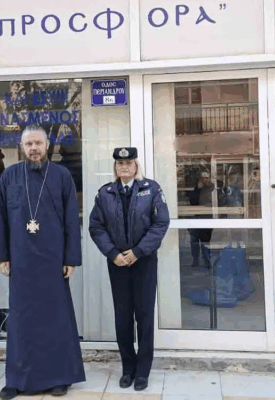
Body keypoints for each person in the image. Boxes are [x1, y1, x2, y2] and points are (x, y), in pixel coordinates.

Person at [0, 125, 85, 399]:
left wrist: (71, 257)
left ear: (46, 146)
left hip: (53, 259)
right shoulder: (9, 176)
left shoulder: (61, 176)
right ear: (22, 147)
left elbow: (71, 219)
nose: (34, 148)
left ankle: (58, 377)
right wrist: (2, 255)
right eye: (28, 144)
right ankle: (17, 379)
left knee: (55, 318)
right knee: (21, 320)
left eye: (38, 143)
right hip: (21, 258)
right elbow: (1, 218)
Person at [89, 147, 170, 392]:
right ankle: (128, 368)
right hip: (118, 262)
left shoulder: (151, 189)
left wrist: (138, 251)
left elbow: (160, 223)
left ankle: (143, 370)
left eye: (128, 163)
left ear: (136, 166)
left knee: (144, 315)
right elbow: (96, 226)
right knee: (123, 317)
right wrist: (113, 253)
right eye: (119, 163)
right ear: (115, 168)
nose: (124, 167)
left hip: (143, 260)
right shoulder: (105, 193)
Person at [188, 171, 216, 268]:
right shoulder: (196, 189)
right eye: (202, 178)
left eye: (206, 178)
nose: (204, 180)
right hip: (196, 217)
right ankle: (195, 259)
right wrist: (197, 189)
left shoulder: (212, 189)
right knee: (194, 240)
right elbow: (192, 202)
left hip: (207, 218)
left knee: (206, 241)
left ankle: (206, 260)